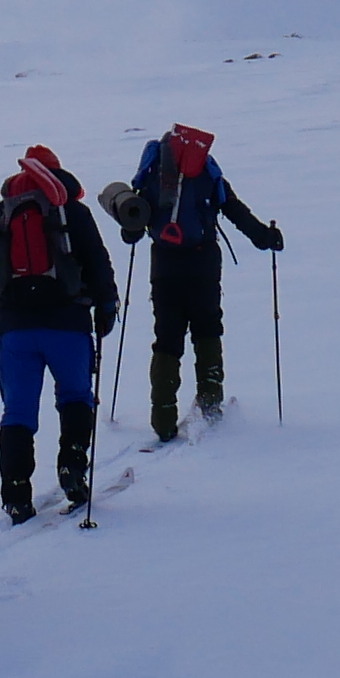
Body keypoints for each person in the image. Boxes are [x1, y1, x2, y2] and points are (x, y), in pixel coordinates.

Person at [0, 145, 119, 520]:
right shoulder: (73, 214)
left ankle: (16, 494)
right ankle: (73, 468)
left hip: (15, 330)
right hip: (68, 325)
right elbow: (98, 262)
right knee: (77, 396)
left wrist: (1, 293)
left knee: (17, 411)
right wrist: (106, 307)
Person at [107, 122, 284, 442]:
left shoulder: (151, 173)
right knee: (207, 329)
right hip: (203, 265)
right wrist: (264, 238)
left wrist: (130, 229)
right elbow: (233, 209)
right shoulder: (206, 171)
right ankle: (210, 402)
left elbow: (132, 229)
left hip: (164, 267)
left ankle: (162, 417)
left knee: (166, 338)